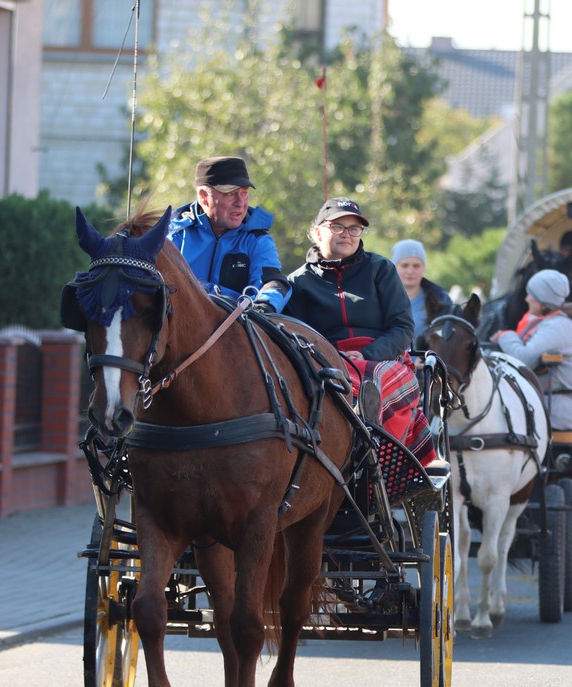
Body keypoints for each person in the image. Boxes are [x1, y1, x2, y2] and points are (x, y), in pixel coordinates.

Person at [284, 197, 434, 464]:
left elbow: (402, 326)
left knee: (373, 383)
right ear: (318, 231)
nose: (347, 234)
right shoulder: (298, 282)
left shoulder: (381, 269)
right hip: (326, 362)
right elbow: (297, 335)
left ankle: (378, 462)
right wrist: (332, 357)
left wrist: (367, 355)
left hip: (383, 359)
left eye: (354, 228)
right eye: (338, 227)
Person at [165, 156, 291, 312]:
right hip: (179, 328)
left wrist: (264, 306)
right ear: (204, 197)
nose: (241, 203)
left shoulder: (258, 240)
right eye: (230, 194)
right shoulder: (172, 236)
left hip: (237, 328)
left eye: (244, 193)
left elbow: (274, 283)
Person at [490, 269, 572, 438]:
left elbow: (525, 358)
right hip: (541, 402)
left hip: (553, 409)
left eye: (530, 295)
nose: (526, 299)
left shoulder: (557, 327)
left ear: (543, 302)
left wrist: (506, 336)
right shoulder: (553, 323)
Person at [391, 239, 452, 338]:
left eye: (416, 266)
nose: (410, 271)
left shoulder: (441, 298)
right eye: (405, 265)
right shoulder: (379, 297)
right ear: (394, 267)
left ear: (424, 267)